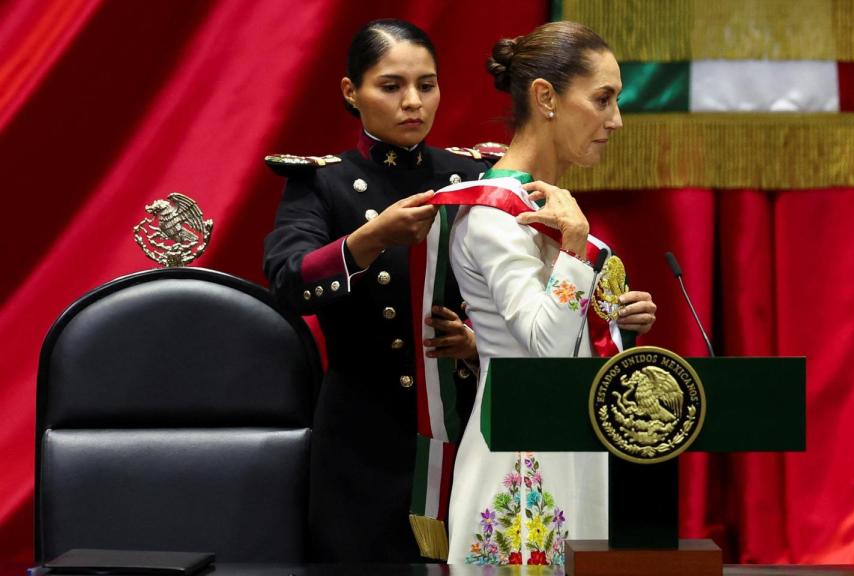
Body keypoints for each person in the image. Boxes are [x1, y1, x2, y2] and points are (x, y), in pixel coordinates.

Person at [262, 19, 490, 563]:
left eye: (426, 85)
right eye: (391, 86)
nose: (413, 102)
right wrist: (366, 241)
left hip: (464, 427)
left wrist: (479, 339)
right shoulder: (323, 183)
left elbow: (517, 292)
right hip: (361, 435)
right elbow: (289, 285)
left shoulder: (477, 177)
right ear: (351, 92)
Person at [436, 21, 657, 566]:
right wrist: (576, 250)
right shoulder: (493, 217)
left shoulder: (548, 205)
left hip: (576, 445)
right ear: (546, 98)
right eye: (602, 99)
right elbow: (545, 348)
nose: (616, 119)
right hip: (519, 458)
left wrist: (617, 321)